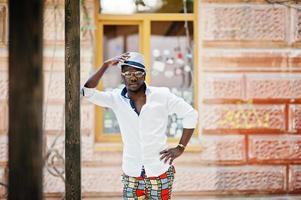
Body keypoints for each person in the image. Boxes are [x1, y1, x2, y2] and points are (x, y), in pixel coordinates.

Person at [81, 52, 198, 200]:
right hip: (132, 174)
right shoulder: (115, 98)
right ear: (122, 76)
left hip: (159, 171)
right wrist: (105, 66)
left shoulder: (161, 95)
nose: (133, 77)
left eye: (138, 73)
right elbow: (87, 92)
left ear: (145, 75)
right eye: (128, 73)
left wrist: (181, 147)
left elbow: (191, 114)